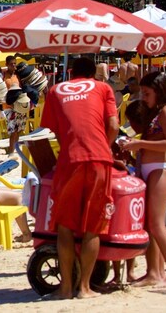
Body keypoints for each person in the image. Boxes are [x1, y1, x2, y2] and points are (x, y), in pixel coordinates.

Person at [41, 57, 119, 299]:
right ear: (94, 73)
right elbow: (114, 126)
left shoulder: (55, 90)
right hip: (99, 159)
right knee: (92, 227)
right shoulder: (103, 88)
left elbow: (56, 130)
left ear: (71, 72)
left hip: (70, 159)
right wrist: (104, 147)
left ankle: (65, 288)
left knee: (64, 226)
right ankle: (85, 288)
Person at [122, 71, 166, 288]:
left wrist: (139, 144)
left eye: (147, 93)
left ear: (159, 91)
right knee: (150, 224)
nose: (144, 98)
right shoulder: (158, 111)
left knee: (156, 224)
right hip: (153, 168)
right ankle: (154, 272)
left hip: (161, 169)